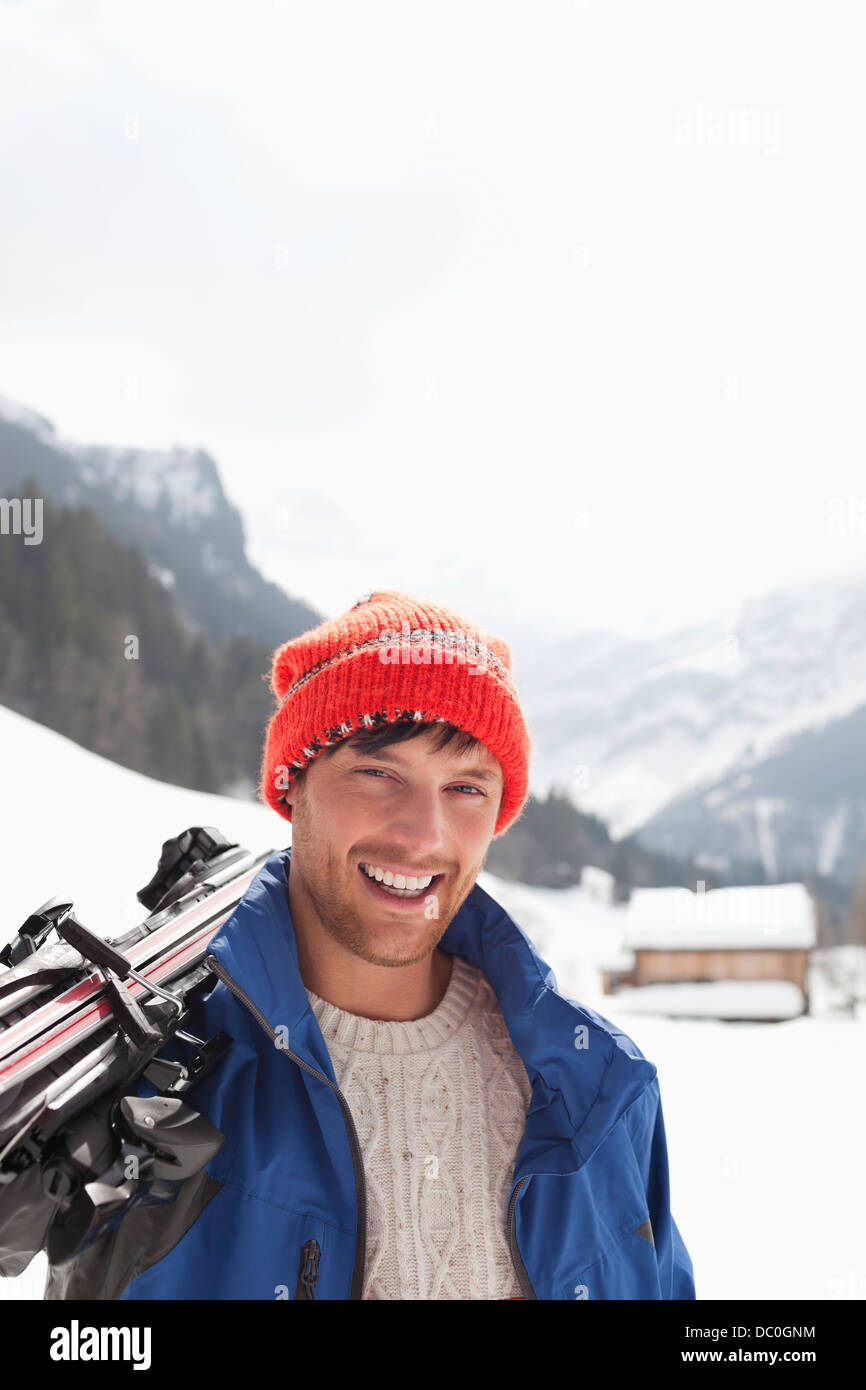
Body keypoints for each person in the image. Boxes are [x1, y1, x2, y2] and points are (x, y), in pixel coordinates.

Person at [45, 589, 695, 1300]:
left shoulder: (598, 1086)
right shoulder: (161, 1091)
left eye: (467, 788)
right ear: (293, 785)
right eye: (379, 772)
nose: (425, 836)